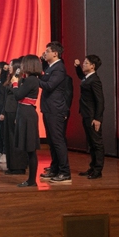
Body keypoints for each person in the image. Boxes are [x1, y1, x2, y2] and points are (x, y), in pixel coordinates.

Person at [38, 41, 73, 184]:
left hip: (55, 109)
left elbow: (49, 85)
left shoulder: (59, 68)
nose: (44, 53)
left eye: (47, 51)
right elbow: (45, 78)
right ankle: (55, 168)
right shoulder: (51, 67)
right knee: (52, 141)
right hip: (49, 108)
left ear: (55, 53)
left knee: (58, 141)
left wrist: (35, 79)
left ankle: (65, 172)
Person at [11, 55, 42, 187]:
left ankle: (32, 180)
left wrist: (15, 83)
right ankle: (31, 180)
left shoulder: (31, 80)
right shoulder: (28, 79)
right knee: (28, 149)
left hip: (27, 115)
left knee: (30, 149)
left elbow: (18, 95)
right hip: (24, 113)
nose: (21, 66)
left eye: (23, 64)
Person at [74, 55, 105, 179]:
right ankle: (92, 167)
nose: (84, 64)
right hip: (86, 114)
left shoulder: (95, 80)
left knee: (97, 143)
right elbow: (81, 77)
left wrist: (98, 118)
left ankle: (98, 170)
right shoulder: (87, 78)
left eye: (86, 63)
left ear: (93, 66)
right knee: (91, 143)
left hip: (92, 116)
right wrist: (77, 67)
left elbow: (100, 101)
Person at [1, 58, 28, 175]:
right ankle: (11, 165)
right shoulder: (11, 79)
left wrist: (18, 115)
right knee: (9, 139)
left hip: (15, 111)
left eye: (11, 65)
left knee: (15, 139)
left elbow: (20, 97)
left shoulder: (20, 80)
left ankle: (19, 166)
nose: (9, 67)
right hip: (8, 111)